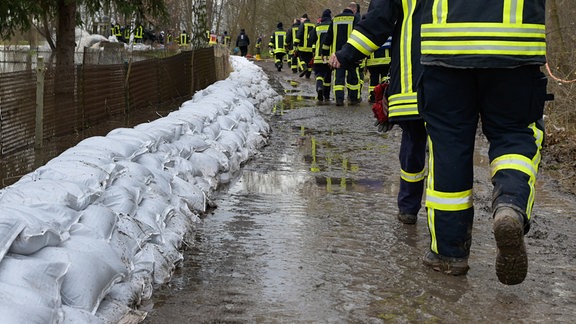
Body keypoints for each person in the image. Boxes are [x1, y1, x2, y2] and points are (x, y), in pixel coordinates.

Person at [416, 0, 548, 285]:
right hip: (516, 48)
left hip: (444, 48)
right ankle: (510, 206)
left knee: (448, 145)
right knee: (515, 134)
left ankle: (449, 254)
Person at [329, 0, 427, 235]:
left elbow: (378, 21)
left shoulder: (335, 22)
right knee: (449, 148)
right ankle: (448, 224)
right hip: (456, 80)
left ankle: (408, 208)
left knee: (413, 143)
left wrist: (346, 54)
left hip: (411, 78)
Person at [322, 2, 360, 106]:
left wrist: (324, 53)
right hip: (351, 54)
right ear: (354, 10)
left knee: (338, 78)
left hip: (337, 55)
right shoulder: (355, 19)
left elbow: (328, 37)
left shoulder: (335, 19)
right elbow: (360, 35)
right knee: (353, 78)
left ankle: (339, 100)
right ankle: (353, 99)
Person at [309, 9, 333, 103]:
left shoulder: (317, 27)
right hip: (329, 56)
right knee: (328, 76)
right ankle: (326, 95)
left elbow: (311, 40)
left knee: (319, 74)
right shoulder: (332, 26)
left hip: (319, 56)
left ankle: (319, 87)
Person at [365, 37, 391, 103]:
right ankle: (385, 96)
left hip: (373, 61)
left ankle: (373, 97)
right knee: (385, 79)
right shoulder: (388, 28)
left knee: (374, 80)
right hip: (386, 60)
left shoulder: (370, 30)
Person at [294, 13, 315, 79]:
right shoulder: (313, 25)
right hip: (311, 48)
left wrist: (295, 43)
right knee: (309, 61)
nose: (300, 20)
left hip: (302, 47)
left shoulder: (302, 25)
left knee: (300, 58)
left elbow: (299, 35)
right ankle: (308, 75)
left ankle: (304, 68)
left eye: (301, 19)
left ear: (305, 18)